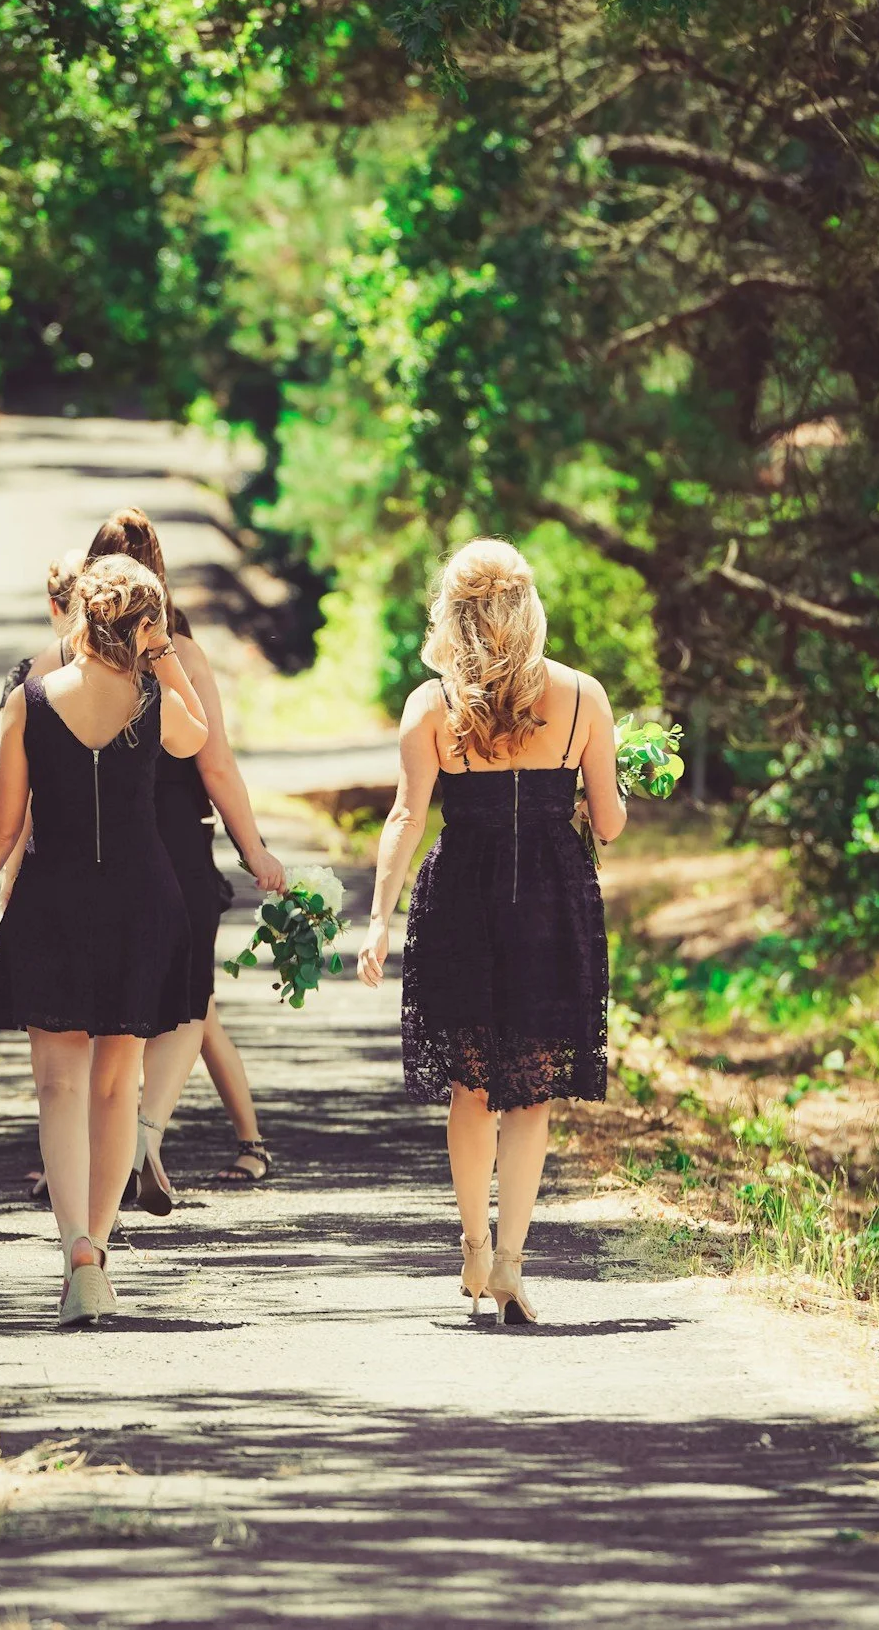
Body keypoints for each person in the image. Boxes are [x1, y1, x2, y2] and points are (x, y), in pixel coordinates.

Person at [0, 555, 209, 1324]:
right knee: (117, 1083)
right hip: (139, 899)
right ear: (145, 623)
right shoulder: (155, 695)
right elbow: (198, 739)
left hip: (54, 898)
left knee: (57, 1086)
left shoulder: (28, 699)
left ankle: (77, 1251)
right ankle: (101, 1257)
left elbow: (1, 823)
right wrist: (163, 657)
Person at [356, 539, 624, 1324]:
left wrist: (378, 921)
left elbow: (406, 818)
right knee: (530, 1094)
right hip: (550, 903)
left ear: (454, 612)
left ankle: (474, 1244)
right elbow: (607, 821)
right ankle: (511, 1261)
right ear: (528, 608)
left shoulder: (429, 706)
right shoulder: (583, 697)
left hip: (461, 902)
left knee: (472, 1088)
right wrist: (586, 799)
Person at [79, 511, 288, 1203]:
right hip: (176, 840)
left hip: (95, 842)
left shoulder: (63, 664)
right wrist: (253, 848)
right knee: (187, 999)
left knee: (104, 1005)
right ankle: (142, 1130)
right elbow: (217, 765)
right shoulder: (183, 658)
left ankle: (89, 1146)